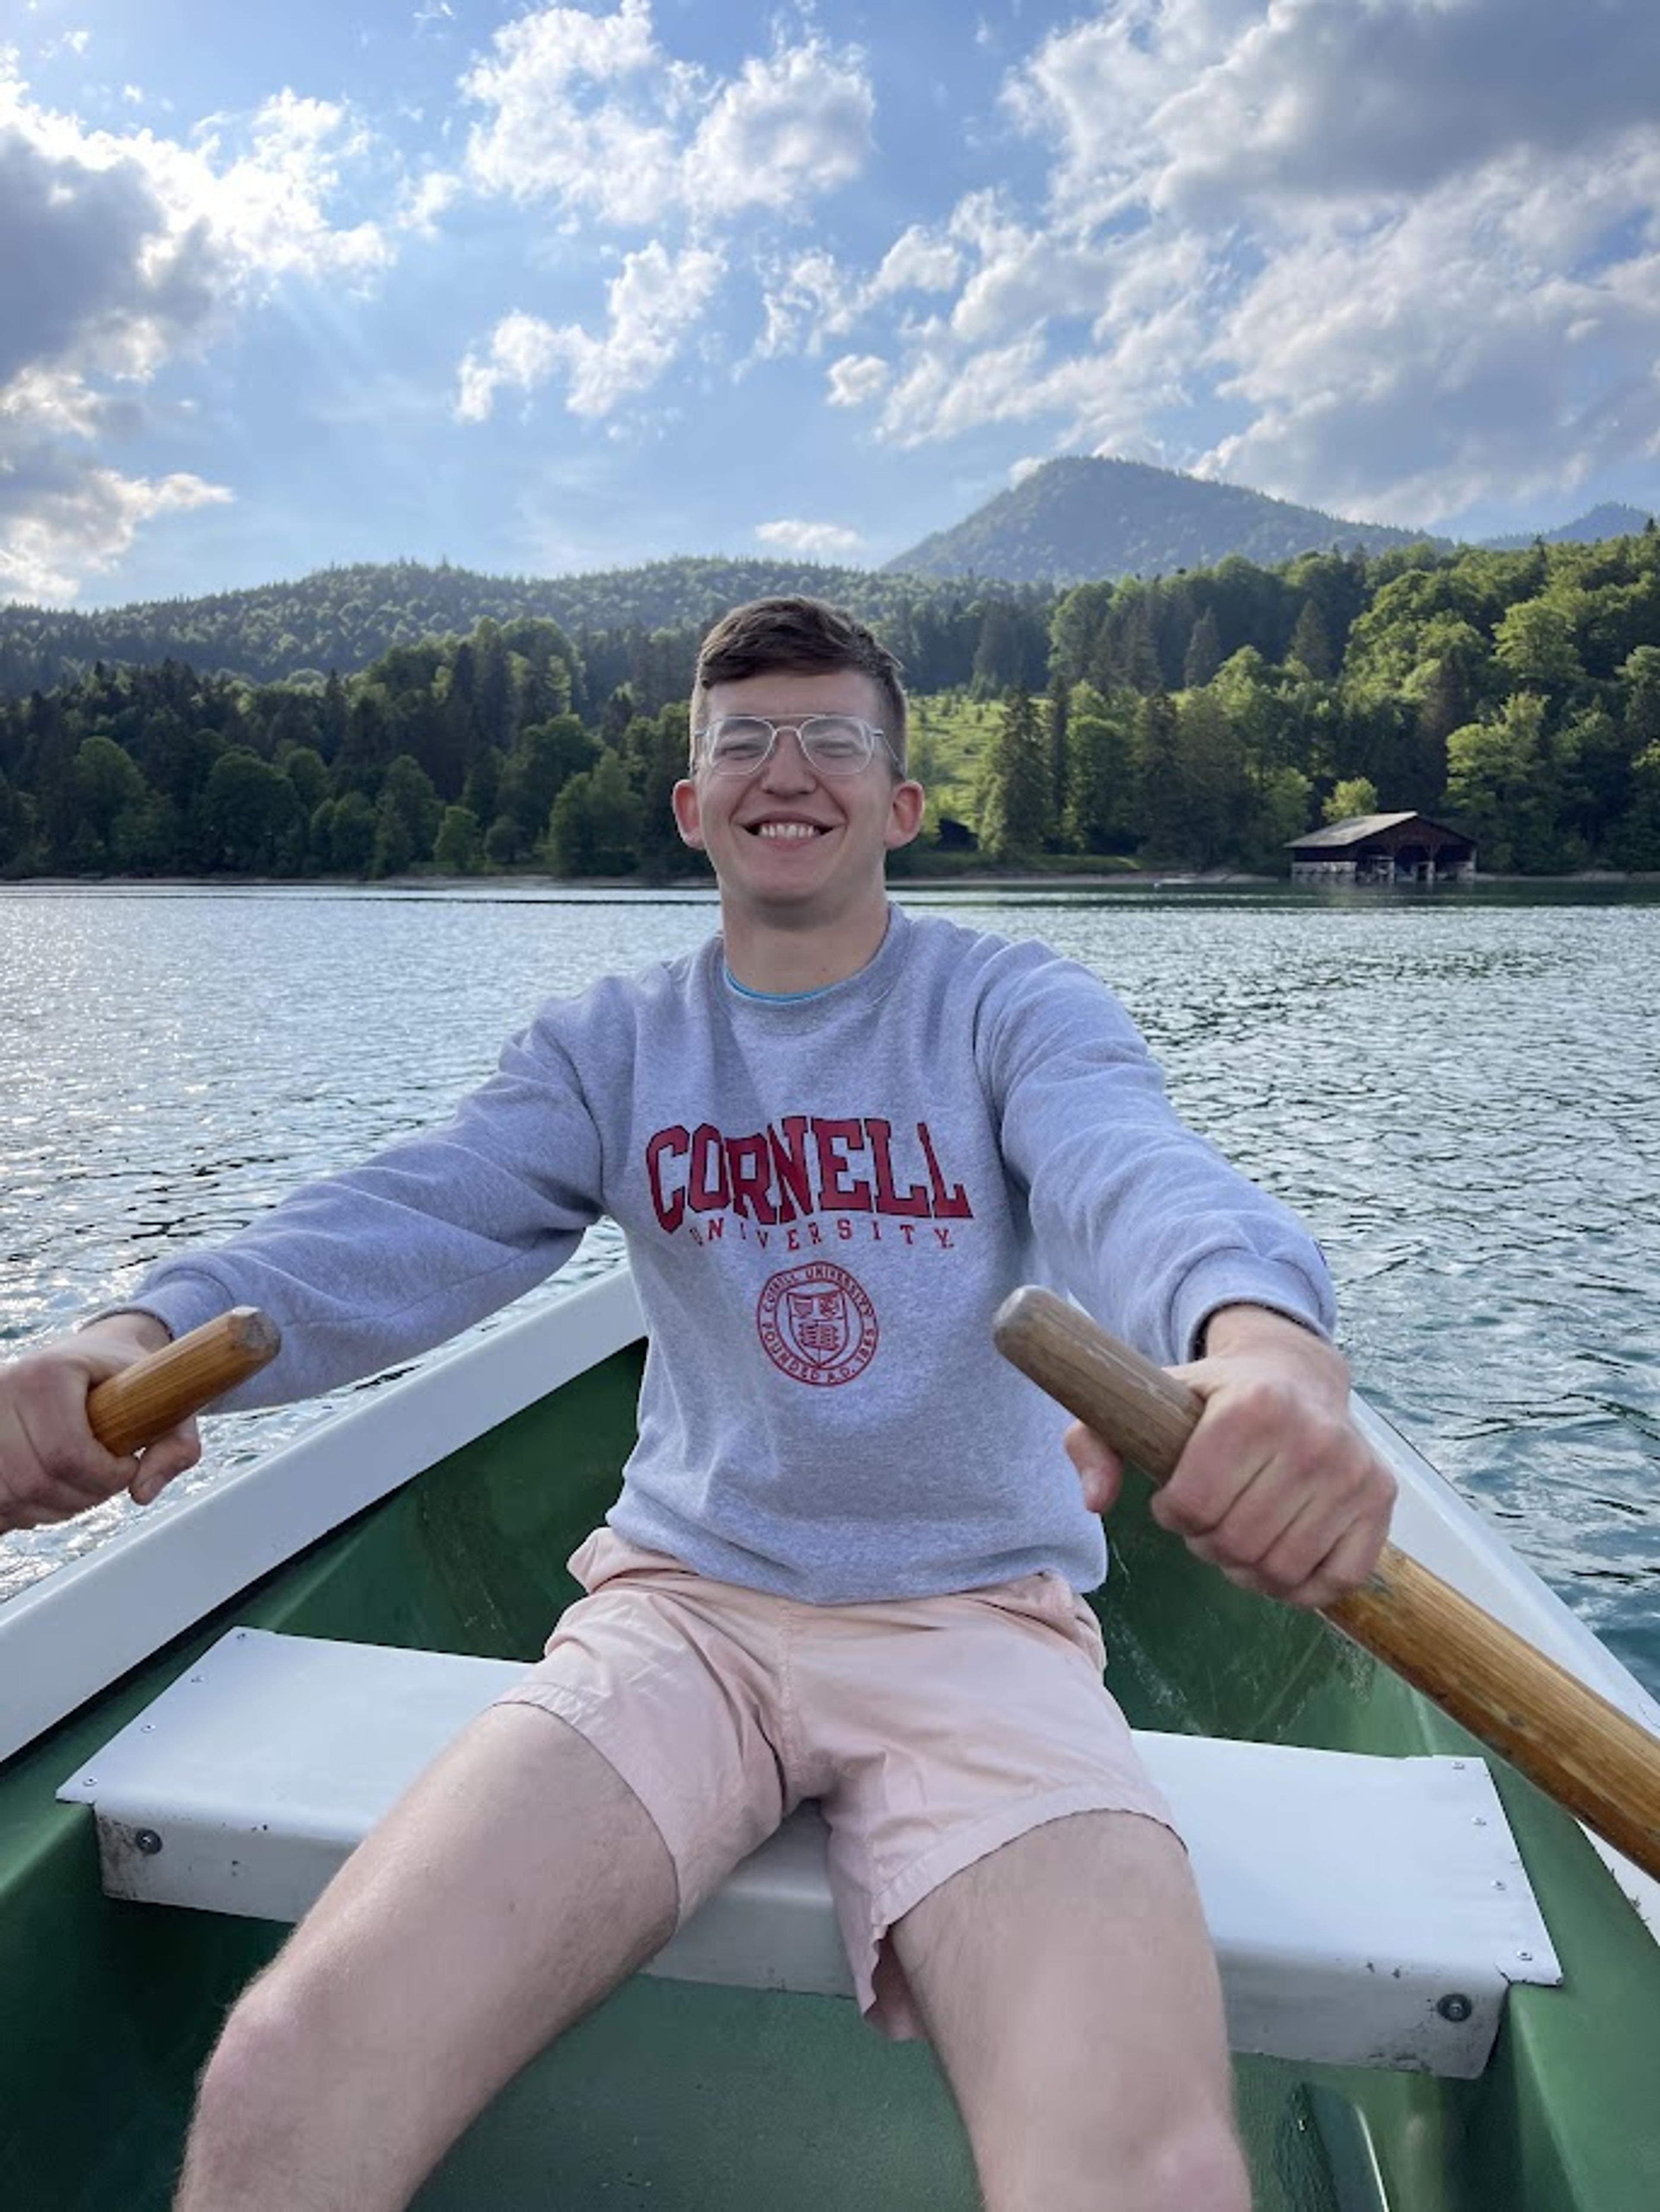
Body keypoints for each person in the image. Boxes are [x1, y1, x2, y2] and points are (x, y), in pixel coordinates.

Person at [0, 596, 1395, 2212]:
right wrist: (131, 1328)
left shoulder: (1013, 1009)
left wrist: (1269, 1342)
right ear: (690, 805)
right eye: (742, 740)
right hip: (682, 1620)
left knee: (1146, 2176)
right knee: (282, 2071)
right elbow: (405, 1216)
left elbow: (1135, 1171)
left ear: (902, 805)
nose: (784, 769)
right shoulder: (611, 1048)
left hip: (979, 1632)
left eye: (834, 742)